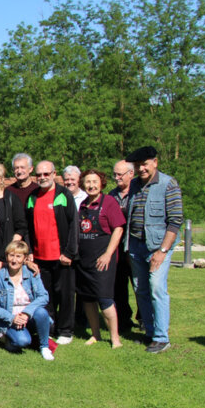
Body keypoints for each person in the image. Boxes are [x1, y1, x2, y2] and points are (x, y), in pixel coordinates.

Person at [124, 146, 183, 354]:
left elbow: (175, 221)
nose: (141, 169)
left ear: (155, 162)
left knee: (157, 289)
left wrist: (163, 251)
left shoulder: (168, 184)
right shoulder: (133, 185)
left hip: (158, 247)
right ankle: (149, 332)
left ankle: (161, 337)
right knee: (140, 289)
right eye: (138, 165)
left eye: (145, 164)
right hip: (136, 246)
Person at [26, 160, 78, 347]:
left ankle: (66, 330)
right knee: (45, 296)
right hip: (40, 258)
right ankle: (50, 328)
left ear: (54, 174)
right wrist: (30, 251)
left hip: (61, 257)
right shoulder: (32, 197)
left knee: (64, 295)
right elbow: (27, 228)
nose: (42, 178)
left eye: (46, 174)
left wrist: (69, 253)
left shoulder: (64, 195)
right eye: (39, 175)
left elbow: (74, 225)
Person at [76, 169, 126, 348]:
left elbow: (118, 229)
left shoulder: (109, 203)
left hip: (102, 260)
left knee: (104, 299)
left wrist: (107, 254)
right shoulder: (83, 205)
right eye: (88, 182)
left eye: (95, 182)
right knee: (88, 299)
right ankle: (95, 334)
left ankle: (115, 339)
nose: (91, 185)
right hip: (84, 261)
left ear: (102, 183)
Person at [0, 241, 55, 361]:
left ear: (24, 258)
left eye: (18, 256)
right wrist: (13, 318)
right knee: (22, 341)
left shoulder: (32, 274)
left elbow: (44, 296)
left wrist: (26, 313)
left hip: (29, 316)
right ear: (6, 256)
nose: (14, 260)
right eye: (11, 255)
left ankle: (44, 347)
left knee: (41, 313)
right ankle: (8, 339)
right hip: (9, 319)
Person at [109, 160, 137, 331]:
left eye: (120, 174)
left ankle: (144, 317)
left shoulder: (138, 192)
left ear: (131, 174)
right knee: (119, 286)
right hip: (117, 248)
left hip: (135, 246)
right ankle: (124, 319)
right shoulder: (112, 195)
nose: (116, 178)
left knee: (140, 285)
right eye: (115, 174)